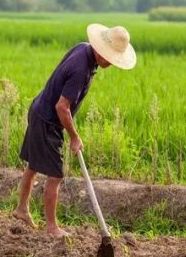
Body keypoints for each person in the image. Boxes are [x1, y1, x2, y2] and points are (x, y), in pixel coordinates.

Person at [12, 23, 136, 237]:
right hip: (48, 120)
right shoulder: (81, 69)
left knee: (33, 166)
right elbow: (62, 107)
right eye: (112, 59)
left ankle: (22, 209)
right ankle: (51, 228)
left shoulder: (83, 48)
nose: (112, 64)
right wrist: (74, 137)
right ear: (103, 51)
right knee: (56, 175)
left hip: (39, 110)